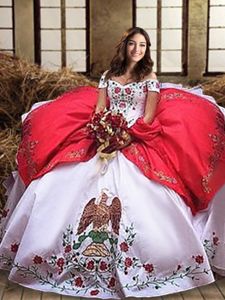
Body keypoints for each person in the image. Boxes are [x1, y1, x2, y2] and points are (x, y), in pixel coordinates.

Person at [0, 27, 225, 299]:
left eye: (142, 45)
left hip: (136, 135)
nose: (137, 50)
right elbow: (99, 110)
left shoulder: (149, 78)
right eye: (132, 44)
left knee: (152, 192)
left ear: (147, 50)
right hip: (106, 132)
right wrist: (102, 130)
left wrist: (125, 136)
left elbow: (149, 118)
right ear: (124, 47)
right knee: (57, 178)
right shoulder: (108, 77)